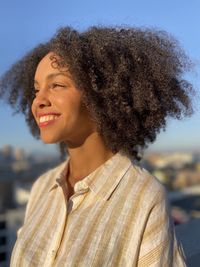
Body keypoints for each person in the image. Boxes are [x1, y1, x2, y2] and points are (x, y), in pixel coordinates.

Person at [0, 26, 194, 266]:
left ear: (101, 95)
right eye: (37, 89)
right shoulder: (42, 187)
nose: (38, 101)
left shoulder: (144, 196)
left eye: (57, 85)